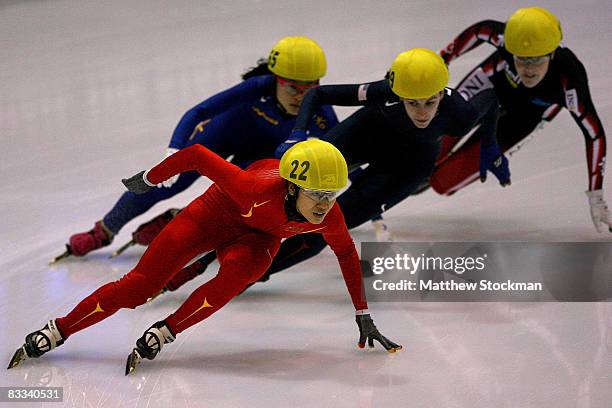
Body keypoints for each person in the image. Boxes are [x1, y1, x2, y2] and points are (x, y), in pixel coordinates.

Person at [8, 140, 402, 374]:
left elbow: (347, 254)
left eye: (331, 195)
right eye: (317, 194)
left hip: (258, 238)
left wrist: (362, 314)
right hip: (213, 215)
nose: (324, 204)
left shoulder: (329, 216)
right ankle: (58, 329)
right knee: (139, 288)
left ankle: (165, 331)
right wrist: (149, 179)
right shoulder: (252, 187)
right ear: (293, 187)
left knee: (239, 274)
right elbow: (196, 154)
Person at [159, 48, 509, 294]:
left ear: (441, 96)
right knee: (287, 189)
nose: (421, 112)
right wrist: (299, 134)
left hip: (409, 164)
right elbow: (318, 94)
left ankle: (251, 274)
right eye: (411, 102)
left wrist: (490, 146)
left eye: (429, 102)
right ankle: (206, 254)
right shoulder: (383, 92)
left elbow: (491, 102)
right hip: (367, 133)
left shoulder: (459, 112)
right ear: (396, 94)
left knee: (323, 224)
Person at [54, 36, 338, 262]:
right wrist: (173, 151)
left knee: (246, 203)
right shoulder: (257, 88)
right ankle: (103, 230)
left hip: (257, 158)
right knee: (165, 184)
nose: (302, 98)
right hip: (221, 136)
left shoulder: (322, 111)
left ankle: (180, 218)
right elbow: (199, 111)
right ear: (277, 79)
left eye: (309, 89)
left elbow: (343, 154)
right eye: (292, 89)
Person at [429, 7, 610, 233]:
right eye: (521, 60)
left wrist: (596, 195)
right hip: (492, 84)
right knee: (427, 145)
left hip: (523, 116)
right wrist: (442, 59)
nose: (528, 69)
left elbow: (594, 135)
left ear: (552, 54)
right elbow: (479, 30)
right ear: (510, 50)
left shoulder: (569, 78)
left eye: (536, 60)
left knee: (443, 183)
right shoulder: (506, 39)